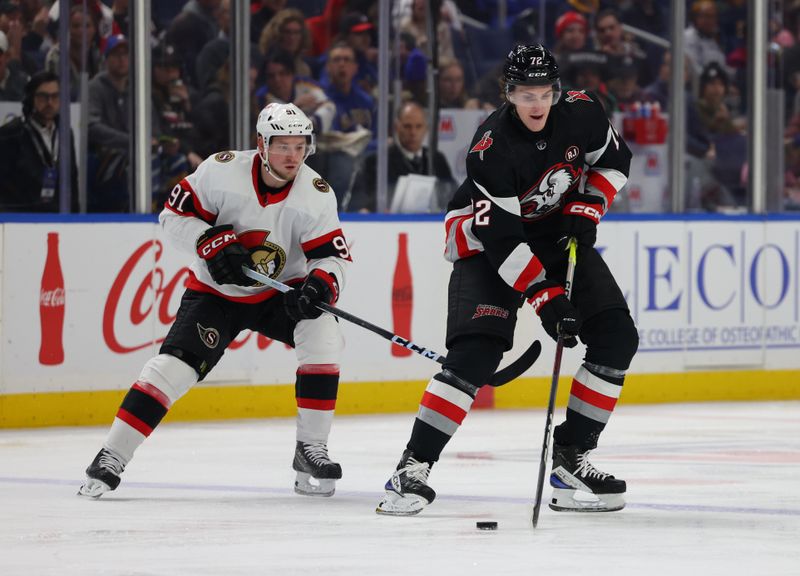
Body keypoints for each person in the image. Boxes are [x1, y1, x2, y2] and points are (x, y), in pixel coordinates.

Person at [375, 44, 638, 516]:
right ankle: (411, 467)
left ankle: (571, 459)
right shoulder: (490, 148)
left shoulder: (584, 113)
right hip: (486, 244)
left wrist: (588, 205)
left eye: (544, 93)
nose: (536, 105)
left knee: (617, 336)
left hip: (554, 232)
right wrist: (546, 299)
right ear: (508, 94)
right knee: (475, 353)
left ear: (557, 91)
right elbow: (504, 243)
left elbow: (616, 162)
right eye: (524, 94)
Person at [78, 102, 352, 499]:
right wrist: (207, 241)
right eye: (282, 146)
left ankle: (311, 449)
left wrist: (320, 285)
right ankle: (111, 456)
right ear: (261, 144)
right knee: (173, 368)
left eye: (300, 146)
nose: (293, 156)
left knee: (324, 332)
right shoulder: (221, 172)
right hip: (216, 294)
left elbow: (332, 256)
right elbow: (172, 217)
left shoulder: (315, 194)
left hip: (279, 294)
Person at [347, 101, 455, 213]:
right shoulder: (375, 162)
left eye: (418, 126)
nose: (413, 132)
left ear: (426, 129)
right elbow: (357, 205)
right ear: (396, 127)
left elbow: (452, 196)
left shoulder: (437, 160)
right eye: (407, 126)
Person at [0, 70, 78, 211]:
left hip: (57, 216)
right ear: (31, 98)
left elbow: (71, 178)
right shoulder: (11, 133)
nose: (49, 102)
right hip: (20, 218)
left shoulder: (66, 133)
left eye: (55, 96)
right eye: (43, 96)